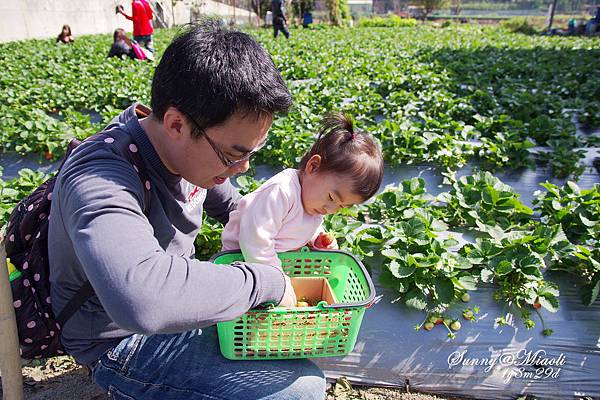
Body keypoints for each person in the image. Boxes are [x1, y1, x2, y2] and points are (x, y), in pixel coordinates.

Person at [48, 21, 326, 399]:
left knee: (302, 361)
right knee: (301, 391)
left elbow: (236, 209)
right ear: (177, 124)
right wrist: (267, 282)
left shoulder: (190, 155)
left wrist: (297, 225)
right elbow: (142, 301)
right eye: (234, 153)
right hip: (117, 339)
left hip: (175, 304)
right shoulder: (102, 176)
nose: (242, 168)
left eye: (251, 154)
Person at [221, 113, 384, 268]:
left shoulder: (314, 200)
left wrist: (315, 238)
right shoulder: (281, 192)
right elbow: (255, 242)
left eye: (341, 207)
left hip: (277, 263)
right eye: (332, 198)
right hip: (240, 262)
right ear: (313, 166)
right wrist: (278, 282)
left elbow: (303, 225)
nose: (331, 209)